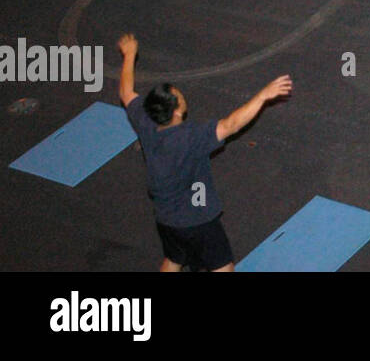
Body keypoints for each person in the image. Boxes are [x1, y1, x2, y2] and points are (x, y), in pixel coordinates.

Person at [117, 33, 292, 272]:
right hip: (197, 220)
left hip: (166, 217)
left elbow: (126, 93)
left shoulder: (145, 122)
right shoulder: (191, 138)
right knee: (223, 267)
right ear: (177, 111)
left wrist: (128, 55)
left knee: (174, 259)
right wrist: (263, 95)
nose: (182, 95)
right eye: (178, 96)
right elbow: (231, 125)